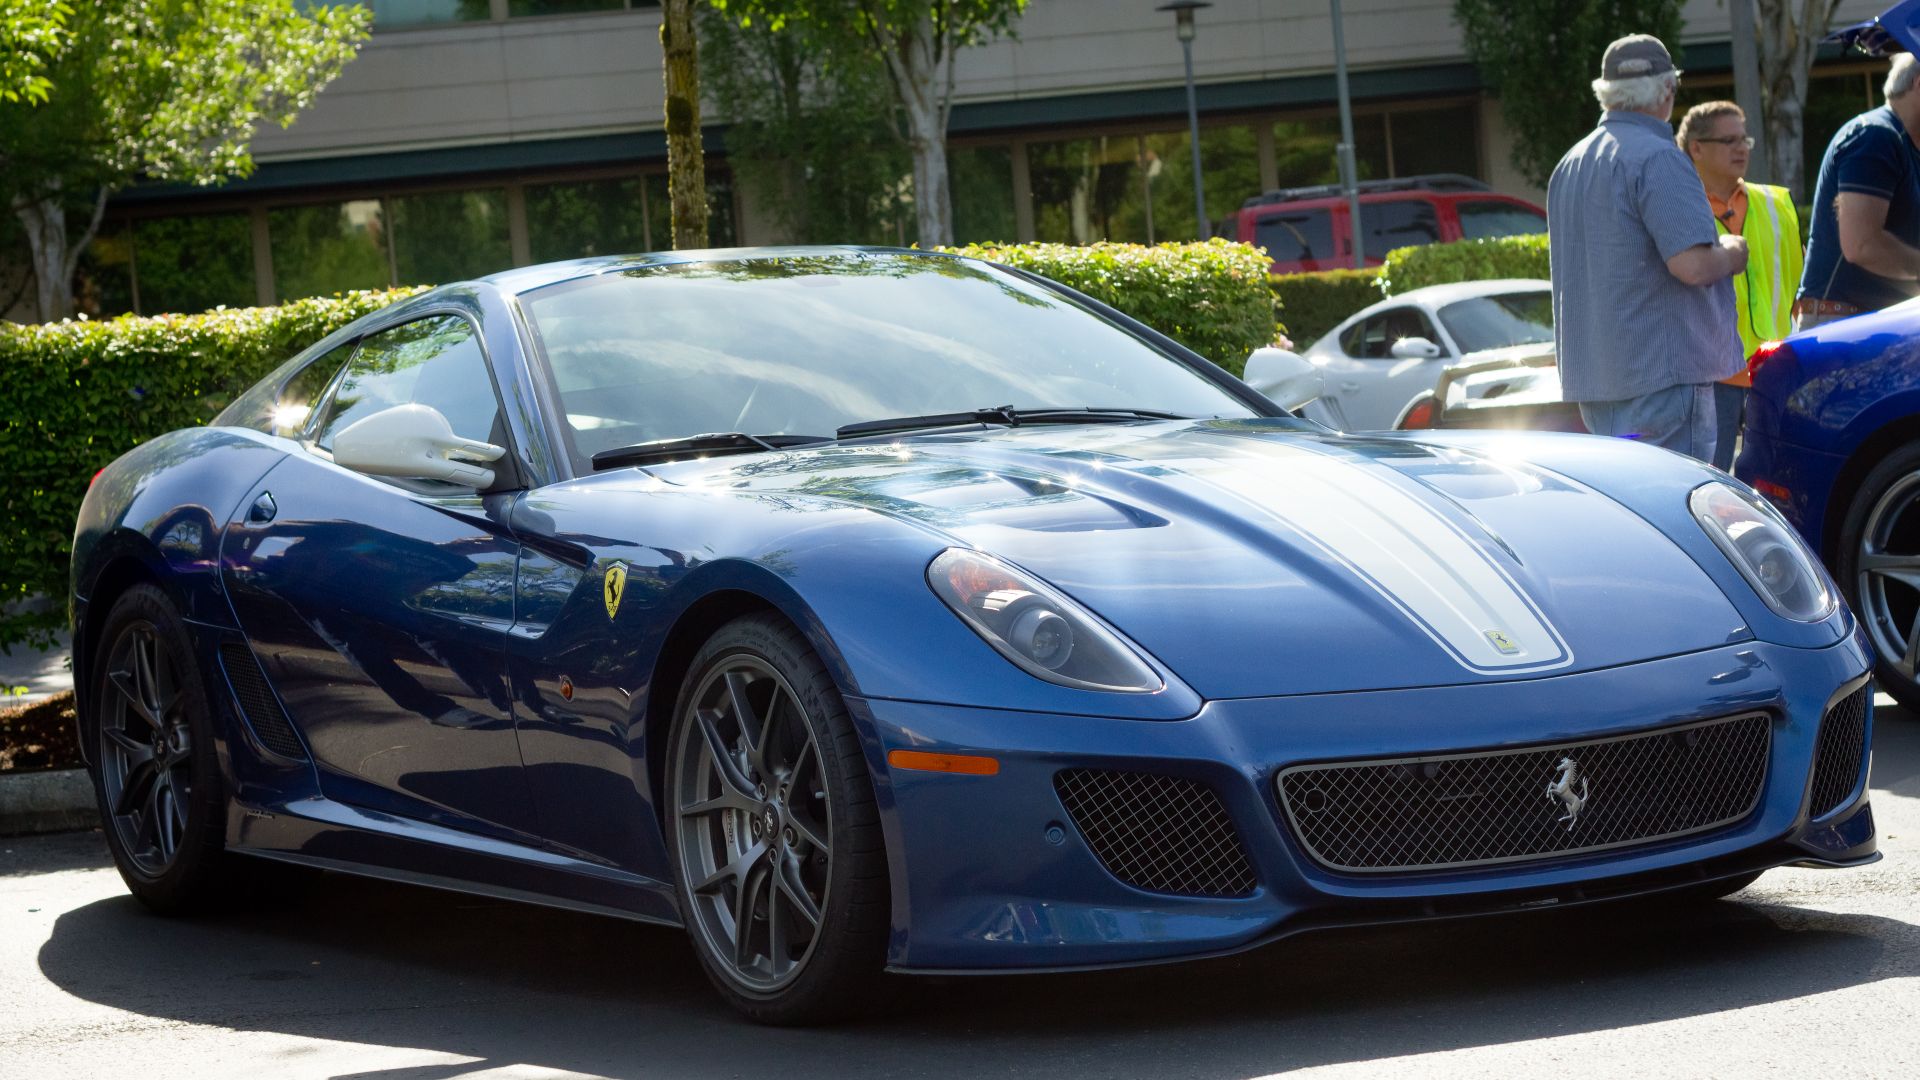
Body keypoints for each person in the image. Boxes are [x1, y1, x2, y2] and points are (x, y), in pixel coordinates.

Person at [1548, 34, 1747, 462]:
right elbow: (1692, 266)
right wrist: (1733, 252)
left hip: (1599, 384)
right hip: (1664, 380)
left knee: (1628, 518)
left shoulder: (1570, 163)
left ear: (1607, 93)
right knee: (1676, 516)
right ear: (1667, 90)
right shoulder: (1658, 158)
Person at [1678, 101, 1802, 470]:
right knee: (1709, 481)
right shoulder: (1678, 208)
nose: (1741, 148)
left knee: (1780, 482)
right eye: (1728, 140)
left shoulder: (1775, 202)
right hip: (1711, 374)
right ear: (1695, 148)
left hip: (1775, 368)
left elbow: (1797, 275)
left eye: (1744, 139)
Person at [1797, 52, 1920, 330]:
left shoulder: (1900, 143)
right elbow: (1861, 245)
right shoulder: (1876, 136)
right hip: (1844, 325)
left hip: (1867, 324)